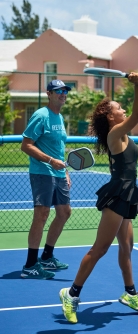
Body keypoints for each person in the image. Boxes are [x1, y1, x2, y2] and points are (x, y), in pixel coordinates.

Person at [59, 72, 138, 324]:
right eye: (119, 108)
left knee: (127, 247)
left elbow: (135, 118)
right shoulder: (115, 134)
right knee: (100, 249)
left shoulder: (124, 134)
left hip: (129, 192)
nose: (123, 110)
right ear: (111, 117)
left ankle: (130, 293)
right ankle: (71, 293)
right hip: (118, 194)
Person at [20, 80, 72, 279]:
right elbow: (26, 145)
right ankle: (30, 265)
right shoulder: (40, 115)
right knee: (41, 216)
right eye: (59, 91)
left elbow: (59, 148)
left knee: (64, 213)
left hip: (59, 174)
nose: (63, 94)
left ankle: (47, 257)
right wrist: (50, 160)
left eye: (65, 91)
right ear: (49, 94)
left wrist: (66, 172)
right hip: (42, 172)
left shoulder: (59, 118)